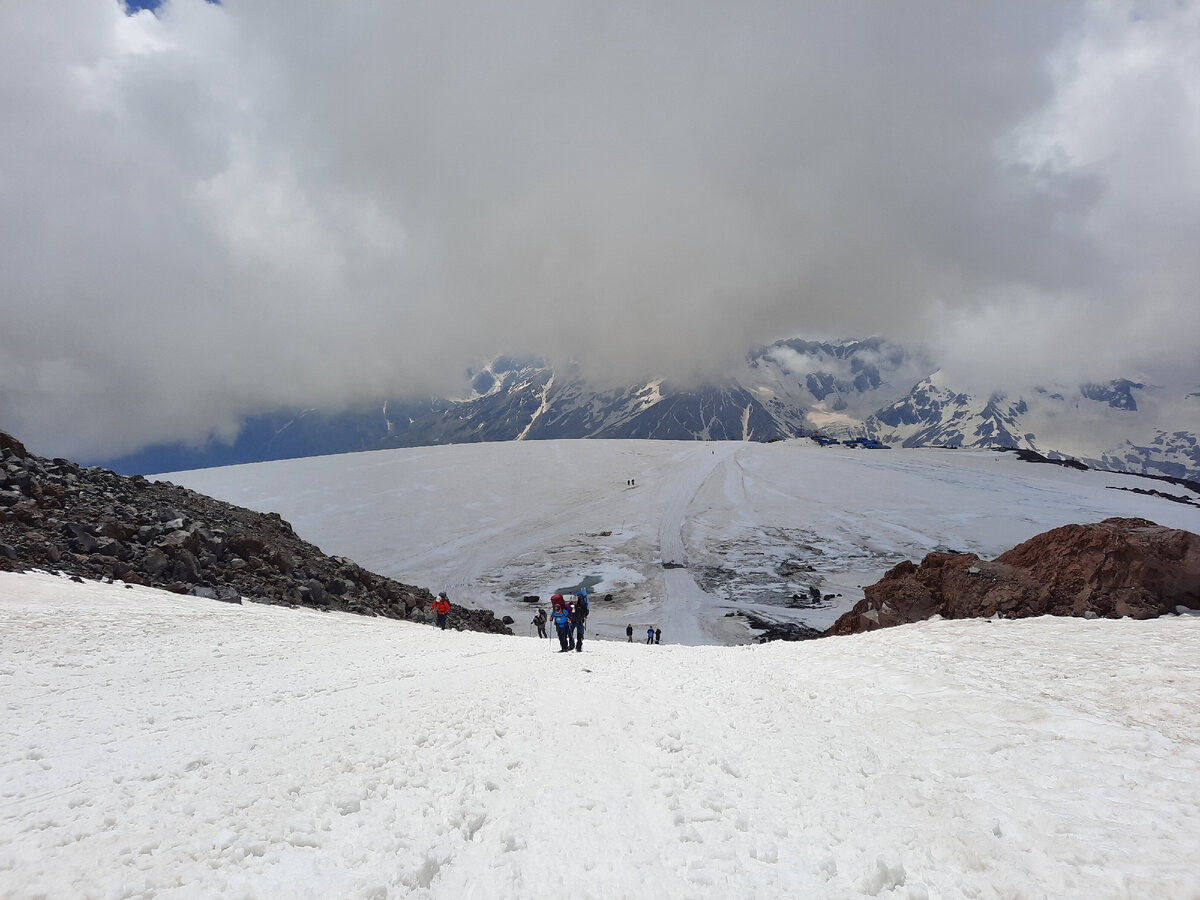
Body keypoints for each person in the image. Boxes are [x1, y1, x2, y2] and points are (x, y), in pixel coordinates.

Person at [570, 588, 589, 653]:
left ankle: (578, 648)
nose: (574, 602)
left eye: (575, 601)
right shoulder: (571, 605)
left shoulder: (581, 605)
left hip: (579, 622)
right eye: (573, 601)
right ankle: (571, 646)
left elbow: (586, 612)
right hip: (572, 622)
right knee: (570, 635)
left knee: (579, 636)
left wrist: (581, 615)